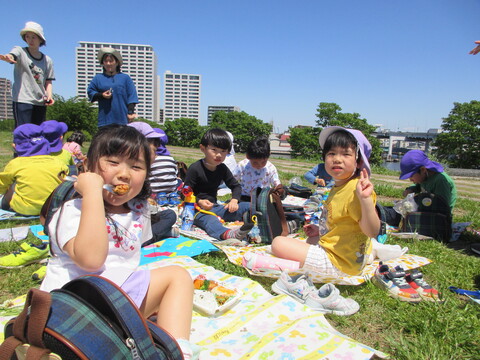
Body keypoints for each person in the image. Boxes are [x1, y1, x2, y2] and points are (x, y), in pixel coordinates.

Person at [39, 125, 197, 359]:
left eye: (136, 167)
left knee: (176, 278)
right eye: (113, 162)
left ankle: (170, 348)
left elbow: (127, 262)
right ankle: (176, 351)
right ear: (87, 168)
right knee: (177, 277)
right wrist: (92, 194)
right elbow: (91, 260)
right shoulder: (74, 210)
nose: (124, 174)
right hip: (74, 309)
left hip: (114, 302)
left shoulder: (138, 210)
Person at [271, 126, 379, 277]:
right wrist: (321, 230)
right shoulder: (340, 185)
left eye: (346, 154)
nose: (337, 159)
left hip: (340, 264)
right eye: (331, 153)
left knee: (278, 243)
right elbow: (343, 223)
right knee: (311, 238)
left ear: (358, 162)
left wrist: (366, 200)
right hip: (347, 254)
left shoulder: (357, 190)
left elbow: (372, 231)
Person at [184, 128, 253, 242]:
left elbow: (236, 186)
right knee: (211, 220)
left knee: (248, 205)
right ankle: (227, 235)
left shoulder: (222, 168)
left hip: (216, 207)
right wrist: (199, 201)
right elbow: (184, 193)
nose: (219, 155)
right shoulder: (195, 168)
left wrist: (234, 200)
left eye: (223, 151)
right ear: (203, 148)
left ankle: (281, 218)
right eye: (214, 150)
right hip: (195, 210)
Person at [127, 122, 178, 245]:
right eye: (154, 150)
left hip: (140, 219)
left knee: (169, 215)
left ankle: (154, 234)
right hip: (127, 226)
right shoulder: (129, 175)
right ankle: (151, 237)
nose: (156, 156)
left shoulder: (144, 173)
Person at [0, 123, 67, 215]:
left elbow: (2, 185)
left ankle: (4, 206)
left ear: (15, 146)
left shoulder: (15, 163)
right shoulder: (58, 163)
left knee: (13, 184)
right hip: (52, 208)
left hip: (25, 209)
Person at [379, 149, 457, 227]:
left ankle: (379, 215)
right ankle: (379, 213)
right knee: (394, 210)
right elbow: (418, 186)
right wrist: (410, 189)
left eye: (411, 176)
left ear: (423, 169)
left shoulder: (441, 181)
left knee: (395, 215)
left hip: (437, 218)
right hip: (426, 211)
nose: (410, 179)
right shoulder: (425, 177)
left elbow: (442, 207)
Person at [0, 21, 55, 127]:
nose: (30, 40)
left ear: (40, 39)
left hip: (39, 102)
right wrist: (8, 57)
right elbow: (13, 56)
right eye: (28, 37)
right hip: (22, 100)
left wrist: (49, 96)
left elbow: (48, 81)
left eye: (34, 37)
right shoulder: (20, 51)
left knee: (38, 135)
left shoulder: (47, 60)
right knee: (23, 133)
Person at [87, 48, 138, 127]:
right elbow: (90, 91)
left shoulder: (125, 78)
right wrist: (101, 95)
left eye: (111, 61)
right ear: (102, 63)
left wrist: (130, 112)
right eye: (105, 61)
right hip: (105, 120)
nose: (108, 63)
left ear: (117, 62)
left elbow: (132, 96)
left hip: (122, 119)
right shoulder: (98, 78)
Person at [232, 137, 281, 202]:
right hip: (244, 196)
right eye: (255, 162)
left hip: (263, 198)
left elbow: (276, 183)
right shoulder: (242, 165)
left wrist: (279, 189)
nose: (259, 165)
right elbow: (233, 180)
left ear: (269, 155)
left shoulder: (270, 168)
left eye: (263, 162)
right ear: (247, 156)